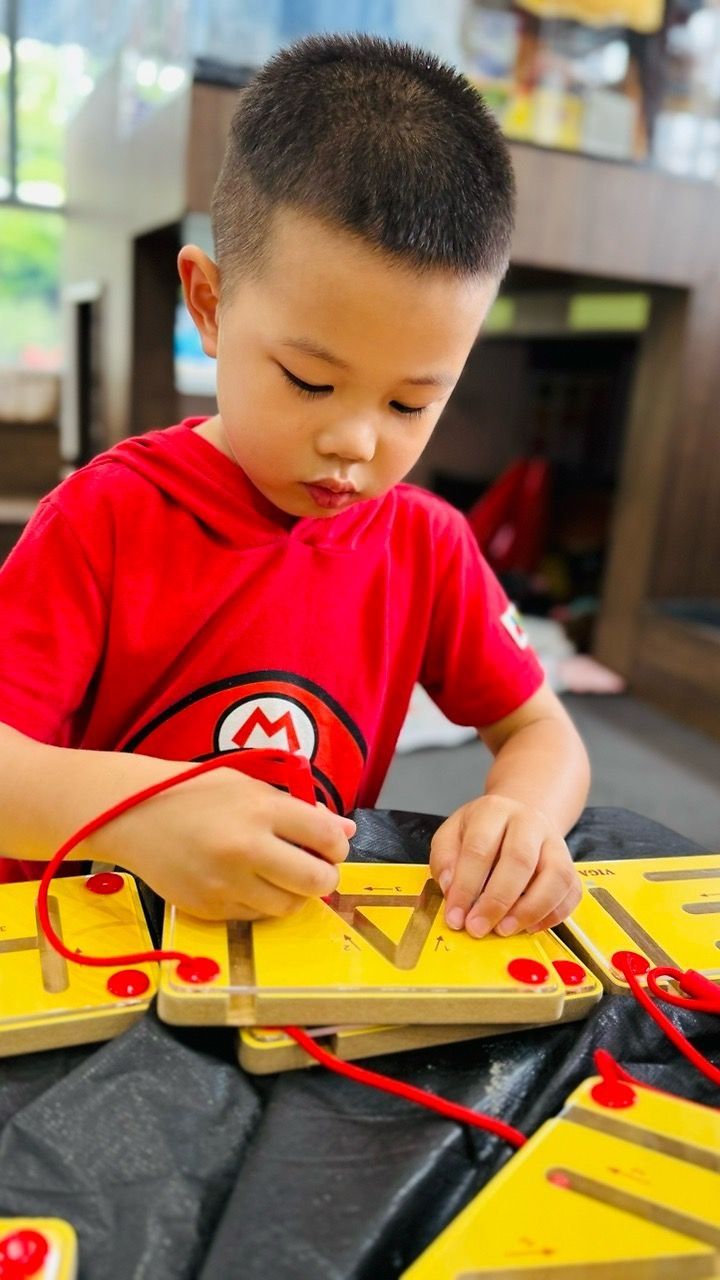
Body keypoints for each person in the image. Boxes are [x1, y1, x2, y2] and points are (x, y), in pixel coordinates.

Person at [0, 34, 589, 940]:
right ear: (209, 303)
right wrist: (135, 812)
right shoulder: (107, 515)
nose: (354, 440)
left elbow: (543, 734)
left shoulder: (425, 546)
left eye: (410, 401)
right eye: (311, 382)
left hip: (280, 960)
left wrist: (526, 818)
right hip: (85, 953)